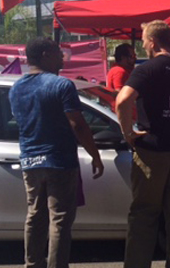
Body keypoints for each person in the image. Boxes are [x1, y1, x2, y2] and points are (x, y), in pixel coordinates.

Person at [8, 37, 104, 268]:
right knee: (59, 220)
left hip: (30, 161)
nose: (62, 57)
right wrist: (95, 154)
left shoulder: (16, 88)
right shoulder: (61, 85)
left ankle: (33, 264)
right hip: (59, 160)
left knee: (35, 216)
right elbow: (78, 124)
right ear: (45, 56)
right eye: (58, 53)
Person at [116, 20, 170, 268]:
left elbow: (123, 101)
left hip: (151, 150)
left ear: (152, 41)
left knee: (144, 214)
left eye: (144, 40)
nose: (143, 45)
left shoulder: (146, 69)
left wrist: (128, 133)